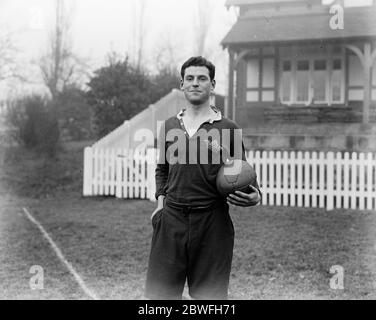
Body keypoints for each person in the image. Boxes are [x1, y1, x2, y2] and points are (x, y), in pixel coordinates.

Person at [144, 56, 261, 300]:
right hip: (172, 219)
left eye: (202, 78)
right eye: (190, 78)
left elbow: (244, 172)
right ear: (182, 84)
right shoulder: (168, 126)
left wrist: (255, 195)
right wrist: (160, 205)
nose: (195, 83)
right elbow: (162, 170)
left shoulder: (228, 128)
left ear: (212, 84)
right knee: (159, 299)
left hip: (212, 222)